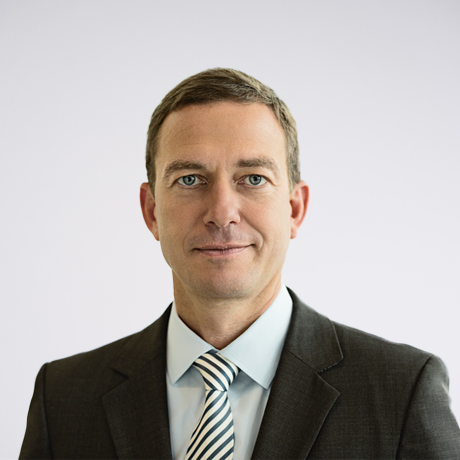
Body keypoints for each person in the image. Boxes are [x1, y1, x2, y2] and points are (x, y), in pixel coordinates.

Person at [20, 68, 460, 460]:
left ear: (294, 209)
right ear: (151, 211)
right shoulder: (62, 399)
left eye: (253, 178)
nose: (221, 212)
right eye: (190, 179)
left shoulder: (402, 393)